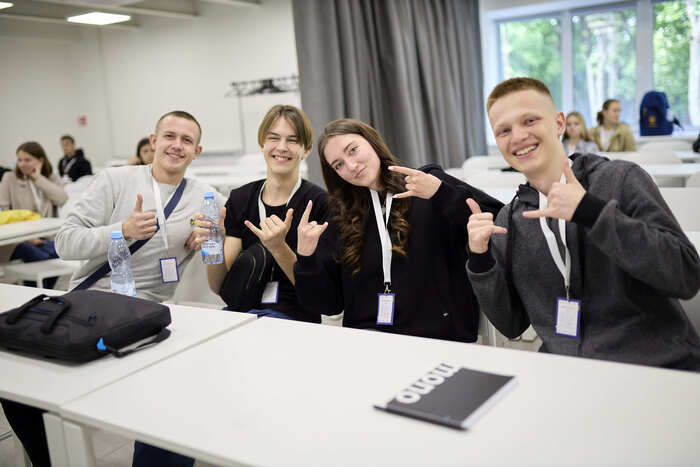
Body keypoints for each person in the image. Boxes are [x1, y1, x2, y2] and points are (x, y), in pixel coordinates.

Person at [0, 111, 221, 467]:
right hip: (91, 301)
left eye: (187, 140)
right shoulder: (116, 180)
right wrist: (121, 231)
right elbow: (65, 243)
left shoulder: (205, 196)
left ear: (197, 152)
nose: (176, 146)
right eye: (169, 136)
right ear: (153, 141)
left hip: (147, 314)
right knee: (18, 387)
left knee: (176, 396)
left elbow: (230, 228)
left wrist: (212, 234)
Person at [466, 77, 700, 371]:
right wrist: (480, 260)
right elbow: (511, 324)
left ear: (559, 124)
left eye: (530, 120)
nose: (518, 136)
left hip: (653, 365)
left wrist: (592, 212)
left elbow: (685, 276)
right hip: (567, 371)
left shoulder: (620, 179)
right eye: (504, 130)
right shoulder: (510, 221)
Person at [294, 118, 503, 342]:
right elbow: (329, 305)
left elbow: (499, 221)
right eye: (338, 165)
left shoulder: (426, 184)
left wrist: (442, 193)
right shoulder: (341, 216)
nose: (351, 166)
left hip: (437, 339)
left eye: (353, 150)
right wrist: (306, 258)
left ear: (372, 142)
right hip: (368, 341)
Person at [194, 105, 328, 321]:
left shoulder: (319, 203)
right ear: (262, 143)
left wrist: (278, 248)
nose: (282, 147)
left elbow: (318, 293)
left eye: (292, 140)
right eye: (273, 138)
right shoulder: (240, 198)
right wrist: (214, 244)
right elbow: (218, 287)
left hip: (294, 319)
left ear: (307, 150)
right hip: (241, 313)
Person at [0, 141, 68, 288]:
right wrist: (29, 238)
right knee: (40, 257)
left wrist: (38, 178)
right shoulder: (9, 178)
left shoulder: (50, 177)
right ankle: (34, 291)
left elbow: (62, 198)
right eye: (19, 160)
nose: (22, 164)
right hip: (15, 240)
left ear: (40, 160)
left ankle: (43, 291)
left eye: (27, 160)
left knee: (58, 254)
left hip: (45, 236)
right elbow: (5, 214)